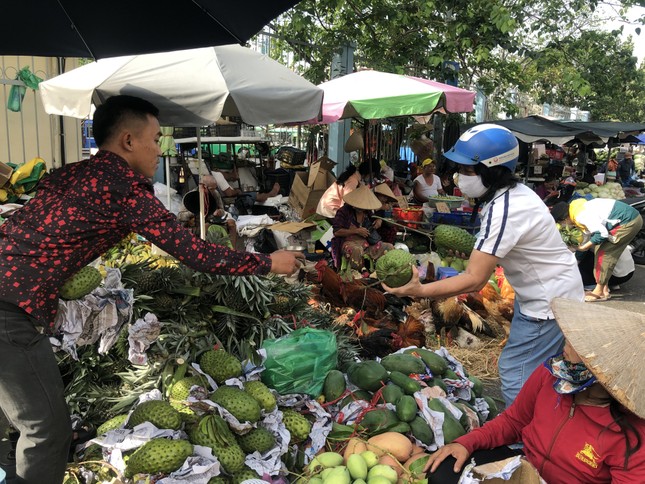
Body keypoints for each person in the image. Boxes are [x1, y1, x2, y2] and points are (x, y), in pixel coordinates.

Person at [0, 95, 303, 484]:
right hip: (10, 310)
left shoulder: (71, 173)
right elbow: (193, 252)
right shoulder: (123, 187)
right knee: (47, 432)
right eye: (156, 138)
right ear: (128, 141)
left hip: (12, 297)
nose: (160, 149)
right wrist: (267, 263)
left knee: (14, 420)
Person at [383, 124, 584, 406]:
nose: (459, 177)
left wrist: (418, 290)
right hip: (546, 295)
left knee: (517, 373)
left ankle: (524, 440)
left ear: (493, 170)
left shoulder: (507, 208)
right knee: (538, 374)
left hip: (548, 302)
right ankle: (539, 427)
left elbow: (475, 279)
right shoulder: (508, 196)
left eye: (468, 170)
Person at [424, 298, 645, 484]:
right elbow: (513, 421)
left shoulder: (635, 436)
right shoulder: (555, 373)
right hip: (525, 465)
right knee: (443, 472)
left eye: (580, 343)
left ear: (607, 368)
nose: (566, 343)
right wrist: (466, 442)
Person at [566, 197, 642, 302]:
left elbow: (602, 234)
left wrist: (583, 247)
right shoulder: (580, 208)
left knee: (603, 253)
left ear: (565, 218)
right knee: (600, 249)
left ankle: (599, 292)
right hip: (631, 219)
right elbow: (588, 240)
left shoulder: (581, 216)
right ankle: (605, 289)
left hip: (628, 221)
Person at [550, 201, 635, 291]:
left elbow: (578, 257)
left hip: (616, 275)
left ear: (565, 218)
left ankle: (596, 285)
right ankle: (610, 284)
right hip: (628, 272)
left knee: (575, 274)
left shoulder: (582, 225)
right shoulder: (592, 219)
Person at [331, 185, 394, 271]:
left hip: (367, 245)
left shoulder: (367, 212)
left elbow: (374, 220)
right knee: (357, 250)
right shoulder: (343, 212)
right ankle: (358, 273)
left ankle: (382, 271)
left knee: (388, 247)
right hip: (348, 244)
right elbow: (337, 232)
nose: (360, 208)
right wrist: (356, 231)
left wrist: (379, 221)